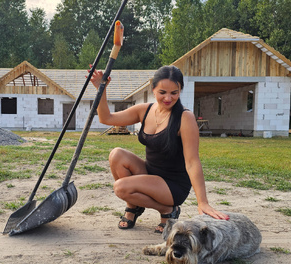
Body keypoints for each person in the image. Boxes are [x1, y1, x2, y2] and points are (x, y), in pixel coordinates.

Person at [88, 64, 229, 233]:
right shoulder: (145, 110)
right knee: (116, 154)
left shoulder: (185, 118)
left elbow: (192, 162)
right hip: (151, 173)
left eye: (174, 93)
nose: (168, 98)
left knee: (120, 187)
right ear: (153, 89)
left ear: (180, 90)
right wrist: (101, 89)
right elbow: (106, 118)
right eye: (162, 92)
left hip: (172, 185)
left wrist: (203, 202)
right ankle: (133, 207)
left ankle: (168, 210)